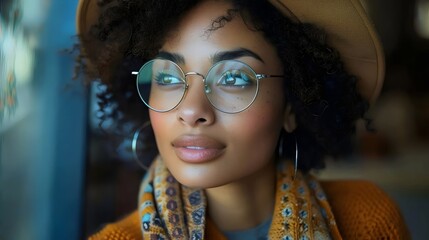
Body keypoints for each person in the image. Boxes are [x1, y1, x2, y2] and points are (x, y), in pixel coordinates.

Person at [76, 0, 410, 239]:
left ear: (292, 106)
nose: (191, 110)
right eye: (168, 77)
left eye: (233, 79)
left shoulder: (367, 219)